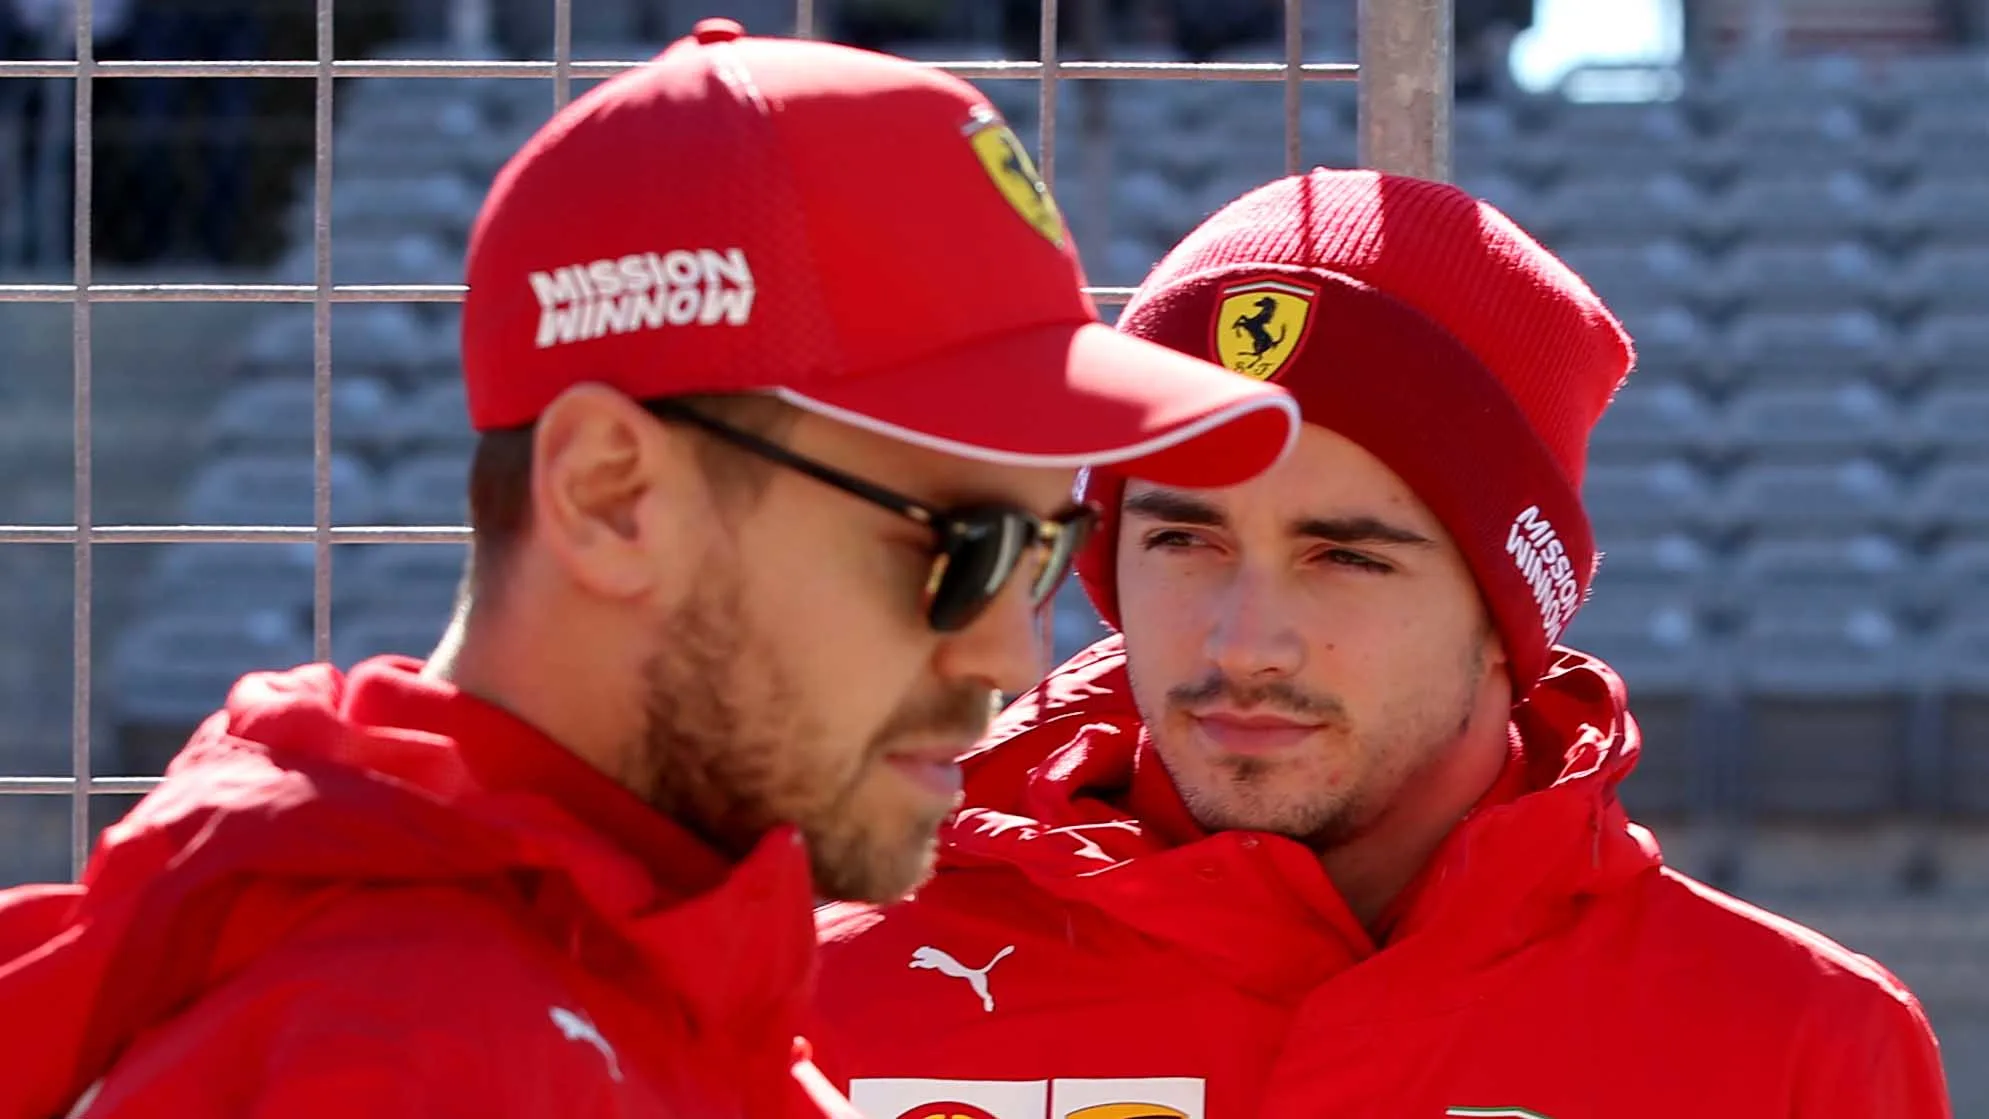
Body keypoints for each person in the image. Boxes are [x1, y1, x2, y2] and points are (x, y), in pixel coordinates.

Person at [0, 20, 1301, 1119]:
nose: (1012, 656)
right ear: (611, 495)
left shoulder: (599, 963)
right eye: (957, 545)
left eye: (1040, 551)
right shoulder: (418, 1050)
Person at [809, 168, 1954, 1119]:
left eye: (1348, 556)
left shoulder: (1792, 1044)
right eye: (1182, 541)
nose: (1245, 641)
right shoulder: (817, 1001)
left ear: (1508, 617)